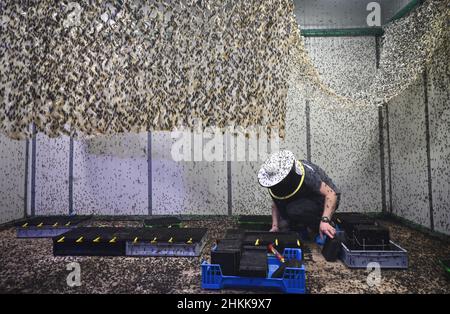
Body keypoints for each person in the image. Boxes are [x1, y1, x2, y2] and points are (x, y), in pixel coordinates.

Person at [258, 150, 341, 239]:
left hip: (325, 199)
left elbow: (331, 194)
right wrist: (275, 226)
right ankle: (301, 229)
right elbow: (276, 203)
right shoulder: (275, 183)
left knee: (294, 210)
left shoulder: (307, 175)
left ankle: (320, 227)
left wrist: (325, 221)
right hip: (302, 200)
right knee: (284, 225)